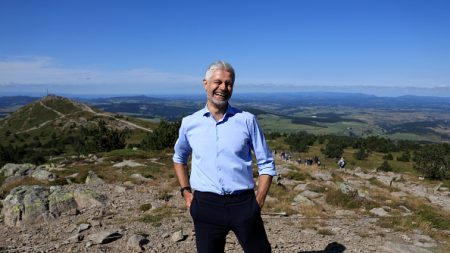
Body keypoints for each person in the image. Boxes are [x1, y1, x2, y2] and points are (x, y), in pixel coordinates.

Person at [173, 60, 276, 253]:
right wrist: (186, 192)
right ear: (205, 84)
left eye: (228, 83)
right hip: (206, 205)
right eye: (218, 82)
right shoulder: (189, 123)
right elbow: (179, 158)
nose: (223, 87)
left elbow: (266, 163)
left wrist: (258, 201)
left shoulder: (247, 120)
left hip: (244, 203)